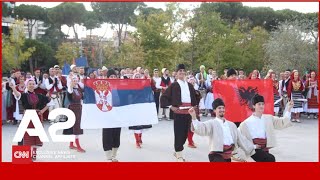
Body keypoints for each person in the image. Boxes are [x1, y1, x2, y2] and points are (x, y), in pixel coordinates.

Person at [189, 98, 256, 162]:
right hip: (216, 155)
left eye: (223, 108)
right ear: (214, 110)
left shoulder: (231, 125)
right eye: (219, 108)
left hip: (228, 155)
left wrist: (253, 146)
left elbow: (241, 138)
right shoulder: (212, 123)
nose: (222, 110)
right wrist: (194, 117)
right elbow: (201, 128)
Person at [160, 64, 201, 161]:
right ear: (176, 74)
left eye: (183, 71)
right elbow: (164, 97)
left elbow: (195, 98)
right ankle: (179, 154)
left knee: (186, 134)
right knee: (179, 133)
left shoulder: (190, 85)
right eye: (180, 71)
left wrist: (197, 98)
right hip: (179, 112)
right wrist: (171, 106)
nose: (182, 72)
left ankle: (178, 150)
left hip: (189, 112)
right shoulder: (173, 85)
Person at [238, 94, 294, 162]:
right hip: (253, 150)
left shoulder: (268, 118)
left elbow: (282, 122)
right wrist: (253, 146)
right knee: (270, 159)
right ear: (253, 106)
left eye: (262, 104)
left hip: (265, 149)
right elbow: (239, 138)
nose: (261, 106)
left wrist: (289, 108)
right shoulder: (246, 123)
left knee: (268, 158)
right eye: (259, 104)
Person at [9, 79, 50, 161]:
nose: (31, 85)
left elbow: (49, 103)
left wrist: (42, 111)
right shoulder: (24, 95)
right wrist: (13, 88)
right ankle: (26, 154)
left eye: (32, 84)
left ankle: (34, 153)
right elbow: (17, 95)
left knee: (36, 135)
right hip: (28, 116)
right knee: (27, 135)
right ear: (27, 86)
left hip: (37, 117)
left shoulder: (39, 95)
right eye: (29, 84)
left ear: (34, 86)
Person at [101, 69, 122, 161]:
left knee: (116, 133)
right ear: (107, 78)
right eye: (111, 76)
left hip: (118, 113)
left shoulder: (120, 87)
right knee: (107, 133)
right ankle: (108, 156)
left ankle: (114, 155)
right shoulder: (103, 87)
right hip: (107, 114)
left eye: (114, 76)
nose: (113, 78)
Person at [62, 76, 85, 153]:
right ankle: (78, 146)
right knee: (75, 127)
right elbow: (70, 91)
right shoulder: (70, 89)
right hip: (73, 109)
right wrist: (71, 84)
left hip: (79, 109)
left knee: (76, 127)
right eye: (73, 80)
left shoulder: (79, 90)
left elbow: (82, 99)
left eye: (76, 80)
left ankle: (71, 144)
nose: (75, 81)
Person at [129, 73, 152, 148]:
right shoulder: (130, 86)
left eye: (139, 77)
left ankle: (140, 138)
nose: (138, 78)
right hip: (134, 107)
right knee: (136, 125)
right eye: (136, 76)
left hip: (142, 107)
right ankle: (137, 141)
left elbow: (147, 94)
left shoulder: (143, 86)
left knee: (142, 124)